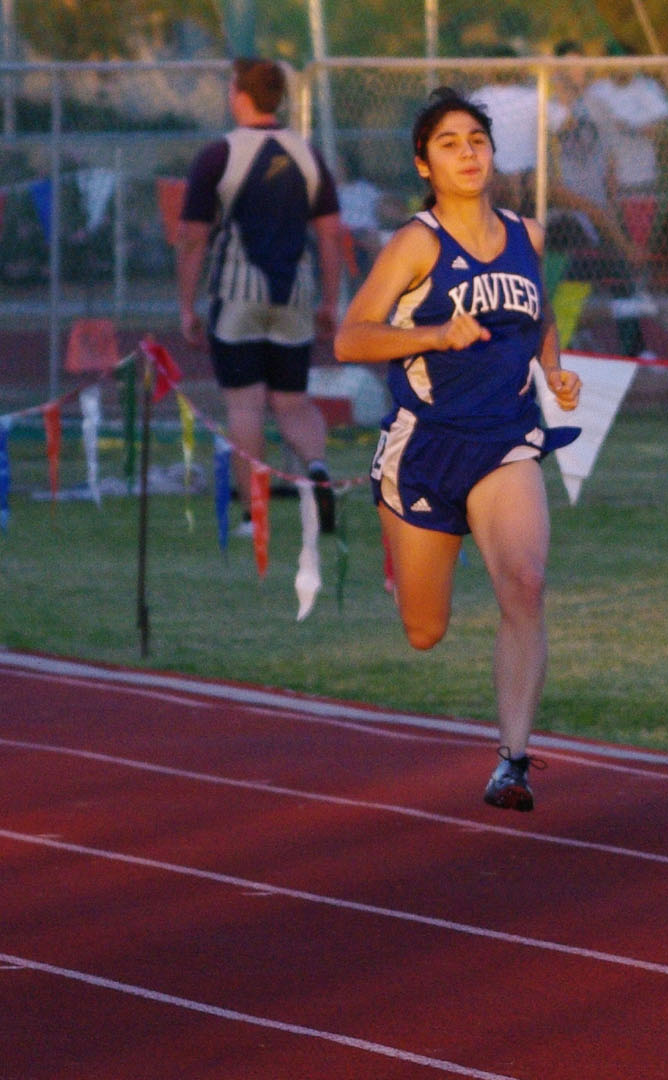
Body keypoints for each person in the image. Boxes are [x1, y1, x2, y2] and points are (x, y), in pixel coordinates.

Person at [333, 88, 582, 812]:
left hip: (506, 438)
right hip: (425, 447)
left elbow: (538, 313)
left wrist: (553, 367)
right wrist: (435, 335)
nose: (468, 152)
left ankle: (513, 762)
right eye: (449, 143)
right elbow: (351, 338)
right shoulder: (417, 243)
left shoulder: (527, 234)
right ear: (424, 165)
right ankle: (405, 544)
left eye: (477, 139)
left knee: (526, 583)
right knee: (424, 631)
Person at [176, 57, 343, 534]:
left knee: (245, 405)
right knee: (292, 402)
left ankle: (254, 515)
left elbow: (192, 237)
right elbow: (331, 234)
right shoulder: (308, 155)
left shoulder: (219, 155)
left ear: (241, 95)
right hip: (295, 296)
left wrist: (186, 306)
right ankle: (317, 469)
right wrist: (330, 301)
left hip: (237, 297)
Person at [545, 42, 651, 359]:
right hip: (564, 213)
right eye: (569, 66)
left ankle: (634, 349)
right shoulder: (548, 107)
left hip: (598, 208)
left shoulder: (597, 105)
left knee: (618, 275)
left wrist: (611, 204)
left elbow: (610, 159)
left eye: (581, 66)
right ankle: (563, 345)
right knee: (575, 274)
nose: (577, 73)